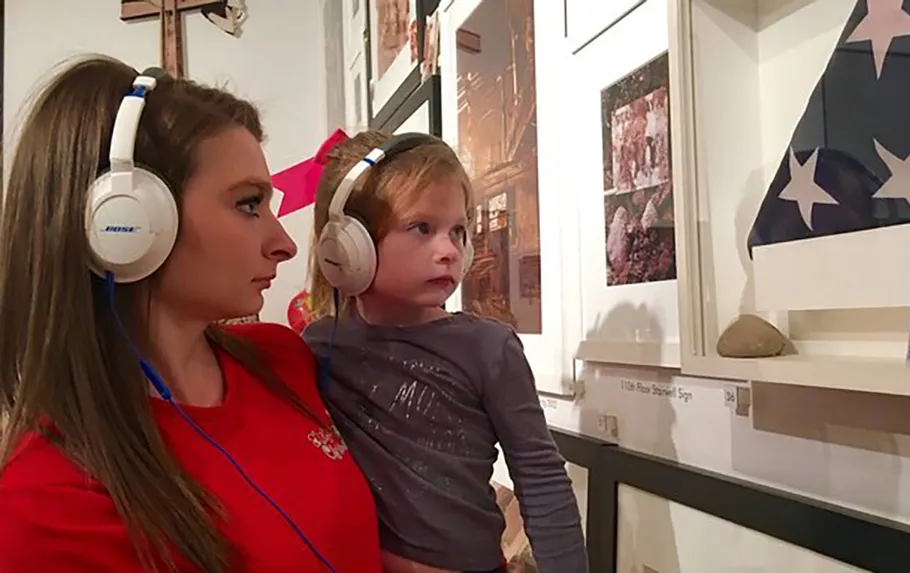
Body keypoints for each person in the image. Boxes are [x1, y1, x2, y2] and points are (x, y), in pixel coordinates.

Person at [0, 56, 381, 573]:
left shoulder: (284, 357)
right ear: (129, 220)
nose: (284, 244)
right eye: (249, 204)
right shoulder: (43, 505)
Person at [303, 130, 588, 573]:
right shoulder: (317, 348)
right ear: (347, 245)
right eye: (421, 228)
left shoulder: (489, 348)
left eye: (458, 231)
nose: (449, 251)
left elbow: (541, 479)